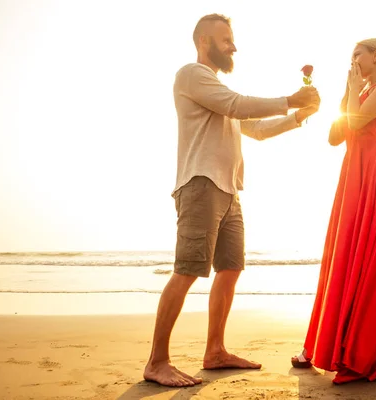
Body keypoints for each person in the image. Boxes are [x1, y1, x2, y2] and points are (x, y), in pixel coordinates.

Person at [144, 13, 320, 387]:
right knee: (188, 269)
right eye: (226, 39)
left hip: (228, 189)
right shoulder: (192, 76)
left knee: (230, 269)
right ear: (204, 41)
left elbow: (253, 128)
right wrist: (289, 99)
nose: (233, 46)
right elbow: (239, 106)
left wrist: (298, 115)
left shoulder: (218, 92)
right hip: (200, 184)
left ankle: (215, 351)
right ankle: (157, 361)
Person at [291, 38, 376, 384]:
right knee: (341, 259)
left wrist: (350, 92)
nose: (353, 60)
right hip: (352, 182)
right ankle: (323, 346)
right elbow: (334, 136)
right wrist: (347, 93)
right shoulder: (357, 92)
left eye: (357, 54)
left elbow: (357, 123)